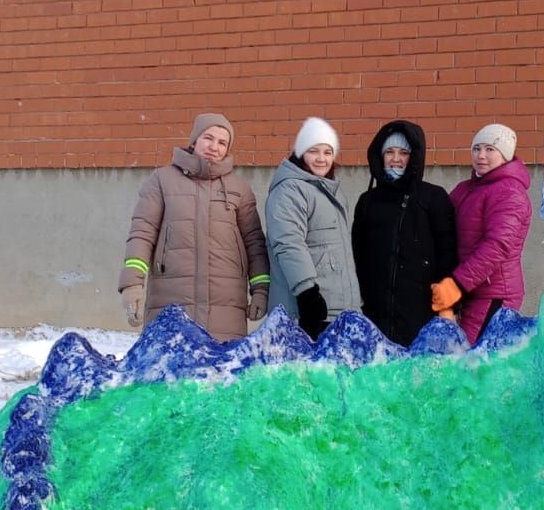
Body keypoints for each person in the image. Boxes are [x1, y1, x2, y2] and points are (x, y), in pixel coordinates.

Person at [119, 113, 270, 342]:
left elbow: (254, 245)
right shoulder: (161, 180)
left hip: (225, 311)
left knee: (220, 374)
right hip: (171, 304)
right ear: (194, 140)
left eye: (222, 143)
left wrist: (260, 290)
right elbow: (142, 233)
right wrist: (132, 283)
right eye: (208, 138)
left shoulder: (239, 189)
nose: (214, 147)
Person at [351, 121, 458, 346]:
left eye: (403, 153)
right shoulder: (368, 201)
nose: (396, 159)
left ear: (414, 157)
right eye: (389, 152)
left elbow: (447, 254)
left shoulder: (433, 198)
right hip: (375, 312)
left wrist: (447, 307)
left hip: (420, 312)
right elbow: (357, 252)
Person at [431, 123, 532, 343]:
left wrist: (457, 283)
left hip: (494, 293)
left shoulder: (509, 192)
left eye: (490, 149)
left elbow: (497, 246)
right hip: (472, 290)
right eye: (477, 149)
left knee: (475, 360)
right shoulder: (466, 189)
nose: (481, 156)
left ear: (505, 155)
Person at [266, 117, 361, 338]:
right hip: (306, 309)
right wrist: (307, 293)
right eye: (313, 151)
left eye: (327, 152)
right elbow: (289, 243)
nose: (321, 159)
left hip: (334, 310)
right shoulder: (290, 189)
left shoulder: (328, 190)